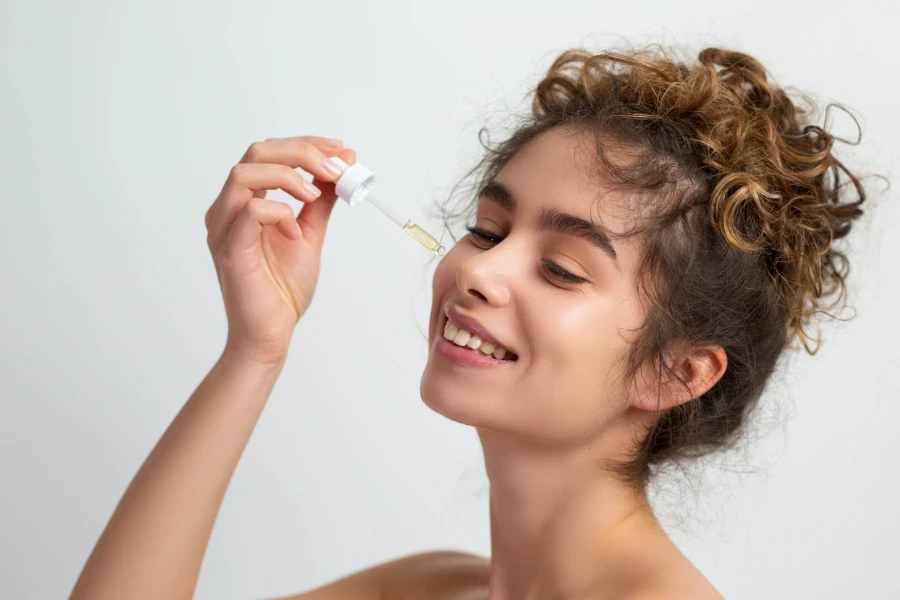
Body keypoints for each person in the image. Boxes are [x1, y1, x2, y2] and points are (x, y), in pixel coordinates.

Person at [69, 45, 868, 600]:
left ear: (677, 371)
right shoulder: (428, 586)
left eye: (561, 268)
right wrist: (255, 350)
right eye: (487, 229)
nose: (477, 270)